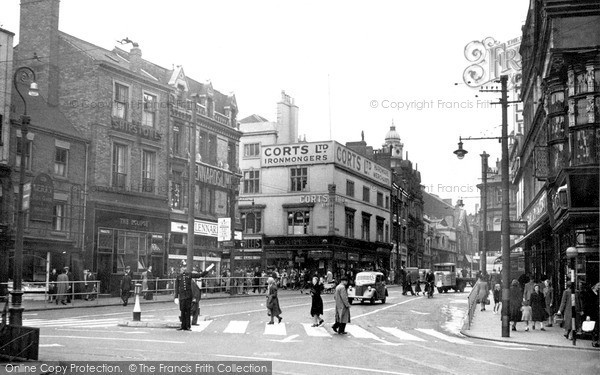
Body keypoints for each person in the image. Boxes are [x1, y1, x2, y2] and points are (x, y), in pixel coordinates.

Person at [174, 263, 213, 331]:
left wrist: (207, 270)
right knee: (182, 311)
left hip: (188, 295)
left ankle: (188, 326)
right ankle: (183, 326)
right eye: (182, 268)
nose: (183, 269)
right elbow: (176, 287)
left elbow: (200, 275)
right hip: (182, 296)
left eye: (184, 267)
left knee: (188, 311)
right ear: (180, 269)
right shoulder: (178, 276)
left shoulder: (189, 274)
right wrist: (176, 297)